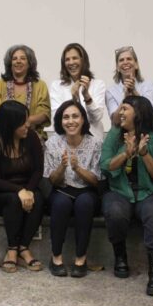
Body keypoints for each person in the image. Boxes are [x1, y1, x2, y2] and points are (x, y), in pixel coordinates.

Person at [100, 96, 153, 296]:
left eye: (125, 109)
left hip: (148, 193)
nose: (120, 113)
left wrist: (145, 154)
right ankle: (120, 255)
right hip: (119, 191)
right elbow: (105, 166)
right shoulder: (114, 136)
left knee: (152, 212)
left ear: (139, 113)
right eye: (121, 109)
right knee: (115, 211)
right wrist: (125, 154)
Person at [0, 100, 45, 272]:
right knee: (13, 200)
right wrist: (20, 191)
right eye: (23, 122)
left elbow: (38, 170)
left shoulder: (31, 137)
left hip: (27, 187)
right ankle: (12, 249)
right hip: (0, 193)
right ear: (10, 125)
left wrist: (29, 190)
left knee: (38, 199)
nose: (28, 124)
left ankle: (23, 247)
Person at [44, 100, 102, 278]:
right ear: (60, 122)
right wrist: (62, 167)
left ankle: (81, 258)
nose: (71, 121)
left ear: (83, 120)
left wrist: (78, 169)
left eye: (75, 116)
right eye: (66, 117)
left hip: (86, 191)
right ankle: (56, 258)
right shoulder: (53, 143)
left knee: (84, 204)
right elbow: (52, 180)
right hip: (61, 190)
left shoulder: (95, 143)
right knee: (61, 204)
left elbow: (96, 180)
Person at [0, 45, 51, 140]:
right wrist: (16, 124)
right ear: (10, 63)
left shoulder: (40, 85)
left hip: (32, 135)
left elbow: (44, 114)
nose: (18, 61)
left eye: (23, 58)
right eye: (14, 59)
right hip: (3, 135)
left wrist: (21, 124)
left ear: (30, 63)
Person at [50, 43, 107, 140]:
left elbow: (96, 117)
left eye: (75, 58)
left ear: (83, 60)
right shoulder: (57, 85)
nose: (71, 62)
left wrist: (86, 96)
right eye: (67, 59)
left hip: (93, 140)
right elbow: (57, 117)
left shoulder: (98, 84)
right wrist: (74, 100)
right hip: (66, 140)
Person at [105, 46, 153, 128]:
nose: (125, 62)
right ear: (117, 67)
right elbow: (115, 121)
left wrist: (134, 91)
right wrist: (125, 98)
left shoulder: (148, 85)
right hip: (120, 135)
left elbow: (149, 112)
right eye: (121, 60)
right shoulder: (110, 91)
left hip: (144, 132)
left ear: (136, 65)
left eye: (129, 59)